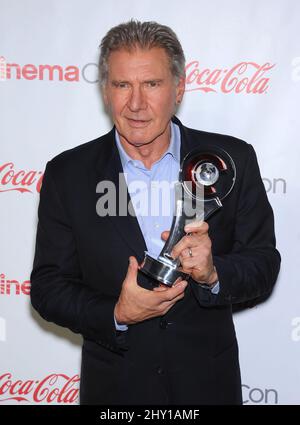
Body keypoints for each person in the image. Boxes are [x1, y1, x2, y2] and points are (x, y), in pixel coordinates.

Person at [30, 20, 281, 405]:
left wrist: (214, 274)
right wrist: (116, 312)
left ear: (178, 88)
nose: (135, 103)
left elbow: (264, 263)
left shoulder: (232, 161)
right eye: (121, 85)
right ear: (104, 91)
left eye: (151, 84)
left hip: (207, 387)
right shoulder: (68, 174)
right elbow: (48, 287)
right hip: (116, 390)